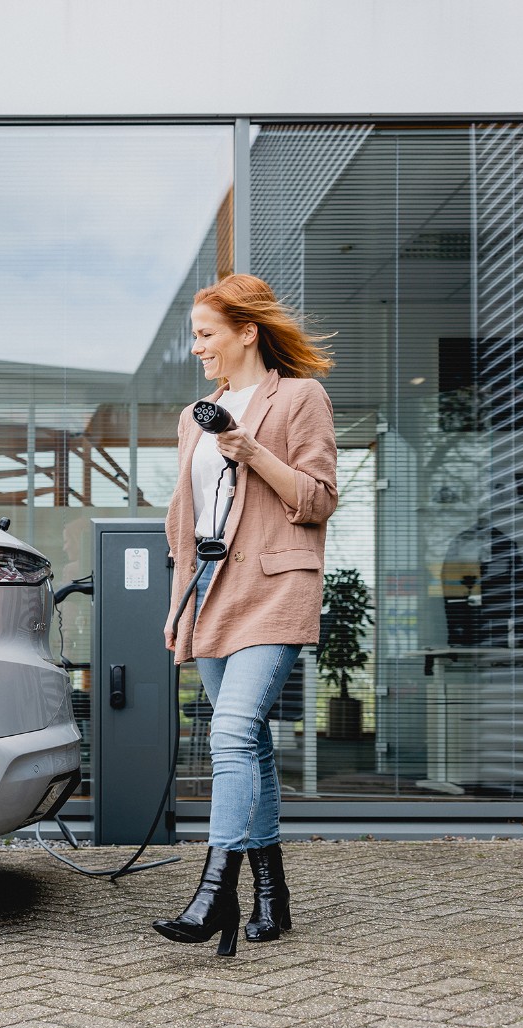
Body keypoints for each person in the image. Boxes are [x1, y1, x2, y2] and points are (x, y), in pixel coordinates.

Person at [152, 273, 337, 956]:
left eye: (206, 334)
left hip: (276, 589)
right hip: (211, 594)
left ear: (245, 332)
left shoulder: (300, 397)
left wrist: (253, 452)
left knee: (229, 733)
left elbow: (318, 499)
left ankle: (214, 893)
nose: (198, 348)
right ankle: (272, 896)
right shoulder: (195, 414)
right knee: (250, 745)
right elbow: (183, 519)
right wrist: (176, 604)